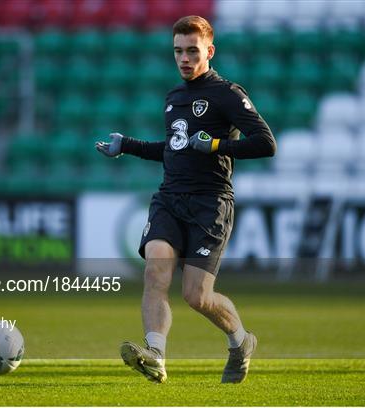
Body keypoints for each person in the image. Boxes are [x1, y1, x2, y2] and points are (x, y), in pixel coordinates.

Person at [96, 15, 276, 384]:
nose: (184, 58)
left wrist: (215, 145)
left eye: (192, 51)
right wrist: (126, 146)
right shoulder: (174, 96)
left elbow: (265, 143)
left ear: (209, 51)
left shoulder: (228, 93)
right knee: (155, 271)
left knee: (196, 296)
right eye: (178, 51)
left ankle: (241, 342)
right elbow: (173, 149)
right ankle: (156, 355)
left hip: (210, 204)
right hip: (169, 198)